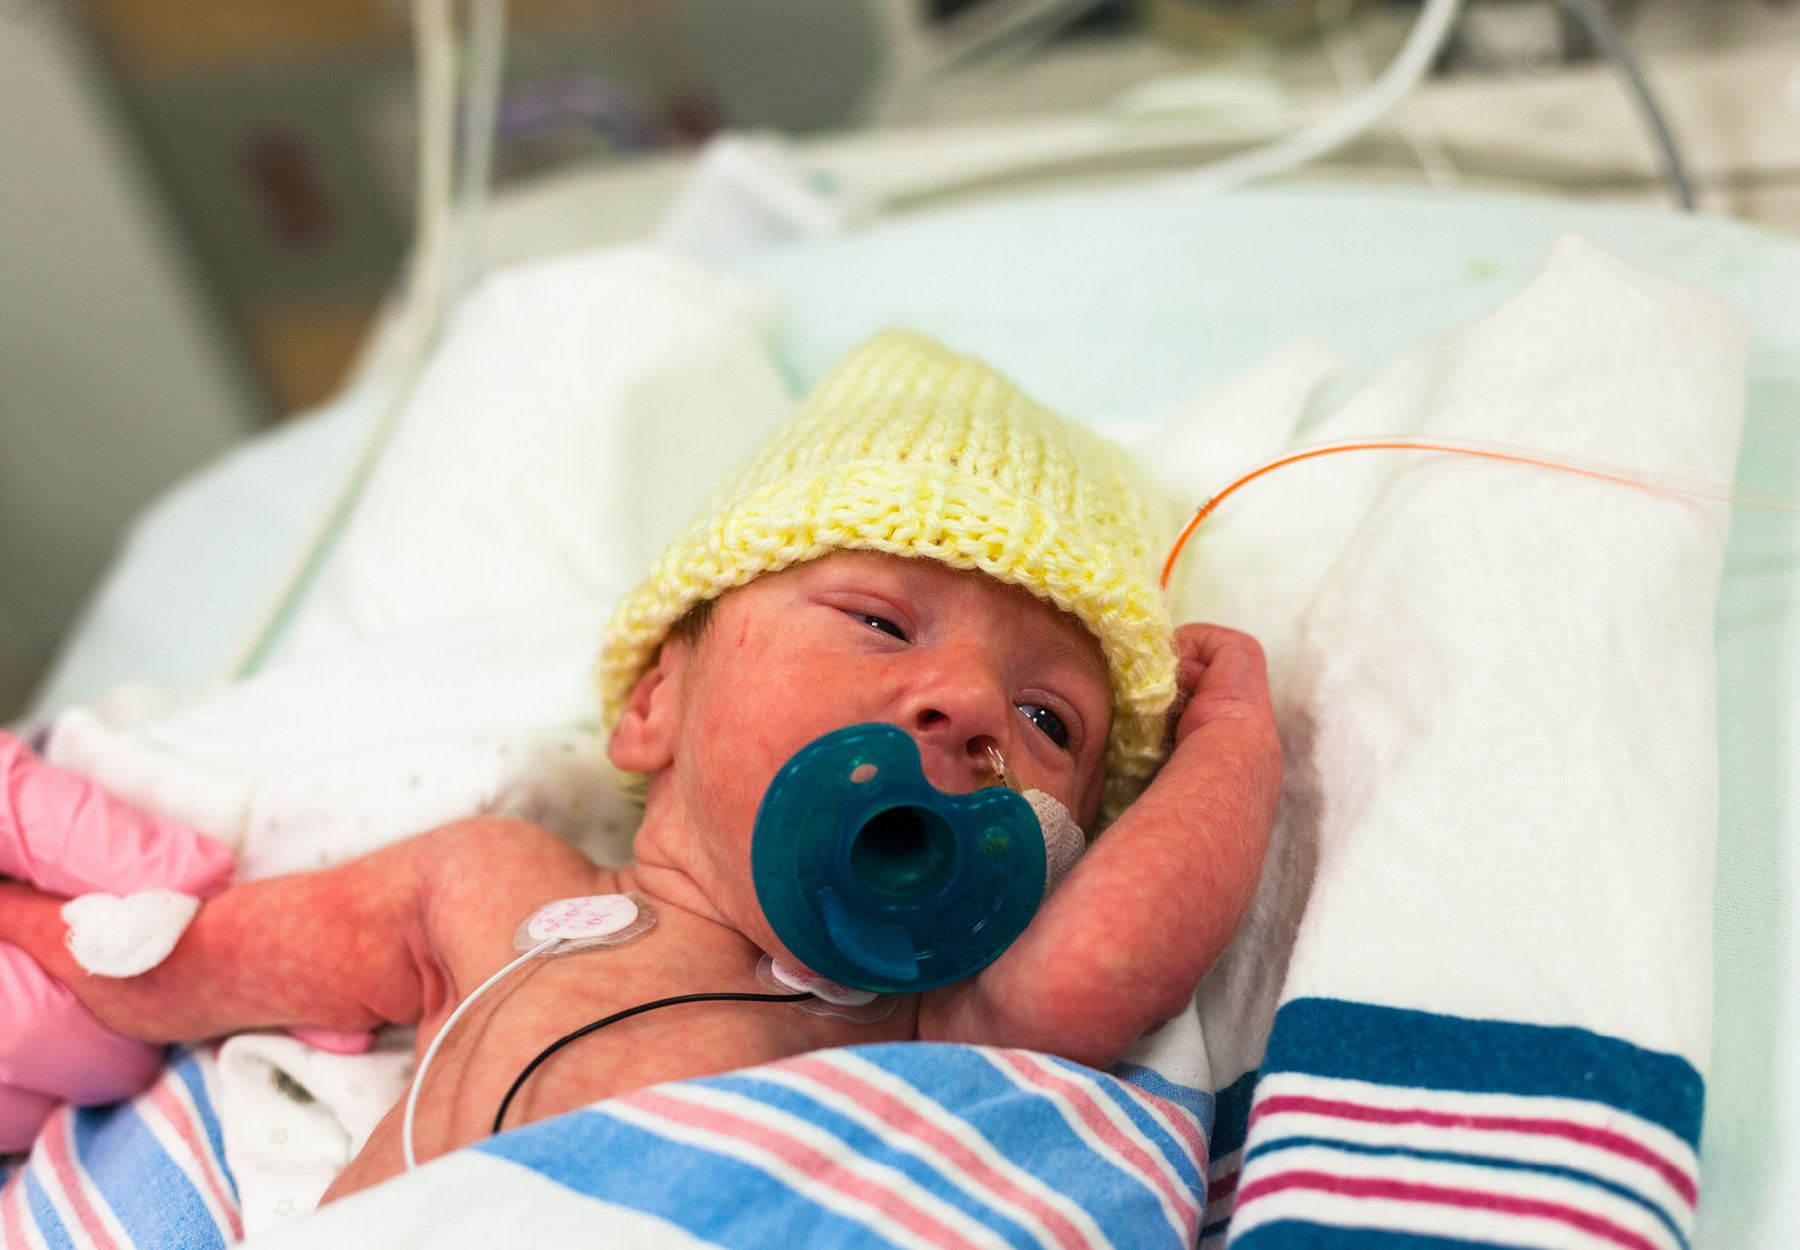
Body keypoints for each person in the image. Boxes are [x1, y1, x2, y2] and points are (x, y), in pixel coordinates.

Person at [0, 331, 1280, 1202]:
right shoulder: (492, 886)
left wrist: (1228, 743)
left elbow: (1113, 958)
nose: (967, 704)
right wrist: (36, 935)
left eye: (1051, 721)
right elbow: (177, 961)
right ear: (658, 701)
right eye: (882, 622)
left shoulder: (933, 1015)